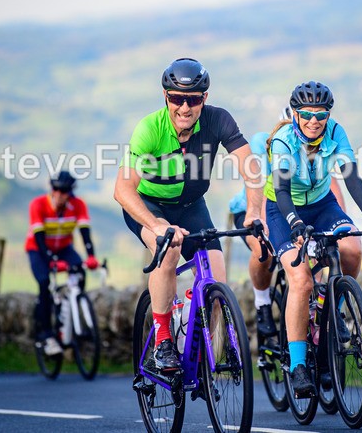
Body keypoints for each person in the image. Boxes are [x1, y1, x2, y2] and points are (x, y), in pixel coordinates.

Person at [114, 57, 263, 372]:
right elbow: (123, 190)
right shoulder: (149, 129)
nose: (185, 107)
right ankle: (164, 341)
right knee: (168, 249)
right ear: (165, 97)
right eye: (177, 99)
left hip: (193, 206)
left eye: (193, 99)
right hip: (149, 206)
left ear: (204, 99)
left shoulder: (217, 120)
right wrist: (154, 224)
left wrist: (253, 211)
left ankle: (202, 343)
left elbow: (250, 167)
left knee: (218, 280)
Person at [264, 81, 362, 397]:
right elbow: (280, 190)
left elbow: (350, 175)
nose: (313, 121)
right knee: (302, 280)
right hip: (284, 208)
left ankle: (335, 311)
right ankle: (298, 366)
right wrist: (293, 222)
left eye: (320, 114)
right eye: (306, 114)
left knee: (351, 248)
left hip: (322, 204)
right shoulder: (283, 139)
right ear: (295, 113)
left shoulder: (335, 132)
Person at [228, 106, 346, 339]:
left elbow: (330, 186)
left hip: (294, 208)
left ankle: (316, 315)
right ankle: (262, 304)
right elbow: (263, 186)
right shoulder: (267, 144)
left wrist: (338, 224)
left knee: (315, 250)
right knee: (264, 250)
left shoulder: (315, 148)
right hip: (251, 208)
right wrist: (269, 231)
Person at [25, 170, 101, 356]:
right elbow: (39, 239)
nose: (59, 194)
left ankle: (70, 303)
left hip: (64, 247)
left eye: (64, 191)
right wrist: (52, 262)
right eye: (56, 189)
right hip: (38, 249)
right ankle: (45, 334)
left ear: (70, 192)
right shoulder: (38, 204)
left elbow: (85, 233)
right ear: (52, 189)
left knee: (80, 272)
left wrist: (91, 256)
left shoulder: (78, 205)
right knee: (44, 283)